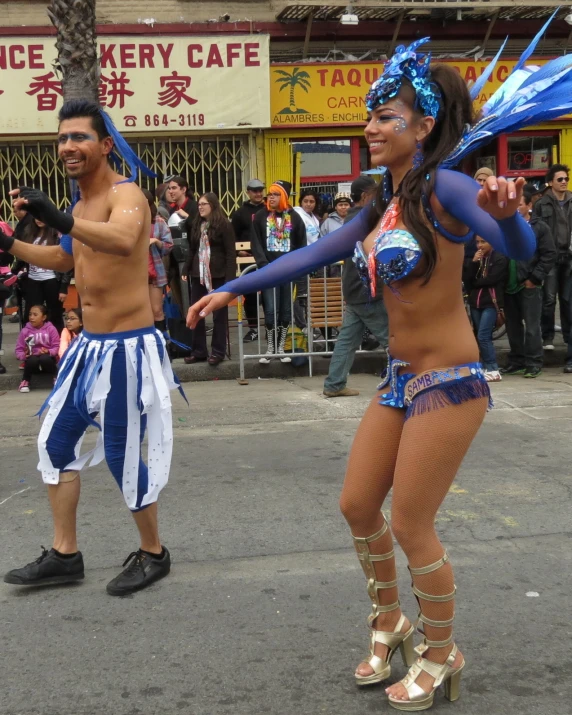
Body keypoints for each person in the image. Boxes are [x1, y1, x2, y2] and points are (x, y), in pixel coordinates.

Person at [188, 33, 563, 709]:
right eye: (370, 116)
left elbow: (521, 244)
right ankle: (391, 623)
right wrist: (234, 290)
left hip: (450, 380)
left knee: (413, 522)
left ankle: (444, 652)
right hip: (397, 380)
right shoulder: (381, 203)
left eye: (386, 118)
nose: (371, 127)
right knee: (358, 504)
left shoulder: (447, 185)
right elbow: (315, 254)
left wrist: (510, 222)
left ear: (422, 128)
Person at [0, 99, 181, 597]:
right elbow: (62, 258)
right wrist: (9, 244)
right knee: (54, 446)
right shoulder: (79, 208)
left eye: (79, 137)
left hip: (127, 347)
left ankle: (153, 553)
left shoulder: (128, 196)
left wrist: (56, 215)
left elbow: (123, 241)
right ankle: (64, 554)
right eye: (61, 138)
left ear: (104, 145)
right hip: (88, 348)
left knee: (123, 454)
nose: (68, 146)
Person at [323, 175, 389, 397]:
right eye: (374, 193)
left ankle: (334, 384)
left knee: (347, 340)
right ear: (365, 196)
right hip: (365, 289)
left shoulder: (352, 218)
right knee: (392, 337)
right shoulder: (362, 218)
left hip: (354, 288)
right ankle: (412, 378)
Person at [502, 185, 556, 378]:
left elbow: (549, 254)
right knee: (513, 326)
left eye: (519, 204)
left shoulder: (539, 227)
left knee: (532, 327)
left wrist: (535, 278)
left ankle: (534, 362)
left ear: (528, 205)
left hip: (530, 284)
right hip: (509, 284)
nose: (515, 207)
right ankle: (517, 360)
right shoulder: (505, 225)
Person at [250, 179, 306, 364]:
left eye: (275, 194)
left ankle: (281, 348)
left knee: (285, 310)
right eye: (270, 194)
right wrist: (263, 263)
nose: (270, 197)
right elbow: (256, 242)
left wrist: (295, 264)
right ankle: (270, 348)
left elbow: (301, 244)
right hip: (269, 270)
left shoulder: (295, 217)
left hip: (288, 271)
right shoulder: (260, 216)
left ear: (284, 196)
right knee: (271, 309)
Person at [181, 192, 236, 365]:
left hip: (218, 275)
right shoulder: (197, 224)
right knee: (196, 311)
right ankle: (198, 351)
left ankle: (218, 351)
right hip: (199, 274)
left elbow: (230, 253)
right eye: (199, 204)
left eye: (204, 204)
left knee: (219, 314)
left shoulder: (224, 225)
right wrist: (186, 268)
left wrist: (230, 278)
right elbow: (192, 249)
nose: (200, 207)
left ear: (212, 205)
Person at [534, 164, 572, 351]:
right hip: (550, 258)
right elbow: (537, 231)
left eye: (566, 179)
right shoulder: (541, 204)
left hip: (569, 256)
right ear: (550, 182)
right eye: (560, 179)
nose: (564, 182)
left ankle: (568, 336)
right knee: (548, 299)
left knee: (567, 299)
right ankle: (547, 337)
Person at [463, 236, 508, 382]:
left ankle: (493, 368)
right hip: (476, 302)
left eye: (483, 242)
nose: (480, 245)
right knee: (478, 335)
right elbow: (467, 279)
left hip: (491, 302)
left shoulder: (499, 258)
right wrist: (474, 263)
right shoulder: (476, 259)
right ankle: (483, 366)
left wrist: (475, 283)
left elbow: (492, 279)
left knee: (484, 335)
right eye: (477, 242)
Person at [231, 178, 267, 342]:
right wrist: (239, 252)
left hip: (266, 259)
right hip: (247, 260)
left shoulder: (269, 210)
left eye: (260, 190)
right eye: (255, 191)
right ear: (248, 192)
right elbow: (233, 236)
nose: (258, 193)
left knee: (269, 294)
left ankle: (271, 328)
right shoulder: (239, 213)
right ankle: (253, 329)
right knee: (250, 295)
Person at [15, 219, 66, 334]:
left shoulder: (56, 234)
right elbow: (22, 256)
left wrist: (63, 287)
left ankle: (58, 345)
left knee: (55, 314)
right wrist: (13, 272)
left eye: (42, 216)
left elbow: (65, 260)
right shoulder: (28, 233)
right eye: (36, 217)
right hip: (33, 279)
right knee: (30, 314)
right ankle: (30, 345)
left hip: (52, 279)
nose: (38, 220)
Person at [142, 189, 173, 335]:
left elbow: (168, 246)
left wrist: (156, 241)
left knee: (157, 310)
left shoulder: (158, 222)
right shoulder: (128, 221)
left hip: (154, 271)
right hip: (133, 273)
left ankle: (162, 344)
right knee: (141, 313)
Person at [15, 304, 60, 393]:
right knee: (32, 359)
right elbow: (18, 350)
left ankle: (56, 378)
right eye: (30, 314)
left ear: (43, 317)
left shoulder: (51, 329)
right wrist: (24, 355)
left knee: (45, 358)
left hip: (47, 360)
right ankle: (25, 381)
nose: (31, 317)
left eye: (35, 315)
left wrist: (49, 351)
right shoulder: (25, 331)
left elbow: (56, 346)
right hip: (32, 362)